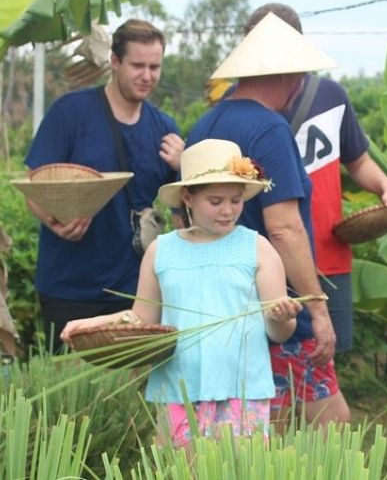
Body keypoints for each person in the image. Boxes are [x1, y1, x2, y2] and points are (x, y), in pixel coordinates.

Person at [61, 139, 302, 446]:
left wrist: (282, 317)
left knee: (239, 471)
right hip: (178, 388)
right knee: (181, 470)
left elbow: (279, 331)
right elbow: (141, 316)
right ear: (187, 197)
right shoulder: (162, 251)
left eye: (236, 200)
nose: (228, 211)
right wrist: (93, 324)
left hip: (242, 389)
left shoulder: (257, 248)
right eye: (215, 202)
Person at [187, 12, 351, 426]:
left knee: (256, 429)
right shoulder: (270, 129)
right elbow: (284, 227)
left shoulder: (204, 125)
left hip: (222, 311)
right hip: (278, 310)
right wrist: (317, 310)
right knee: (332, 426)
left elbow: (184, 222)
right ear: (290, 76)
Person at [243, 3, 387, 356]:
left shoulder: (331, 96)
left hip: (328, 256)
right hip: (263, 261)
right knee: (265, 364)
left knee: (328, 360)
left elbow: (358, 159)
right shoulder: (239, 105)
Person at [24, 19, 184, 352]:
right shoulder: (70, 112)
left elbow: (186, 208)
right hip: (69, 286)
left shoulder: (163, 128)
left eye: (154, 67)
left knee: (126, 394)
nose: (147, 76)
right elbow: (34, 185)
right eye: (137, 65)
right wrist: (55, 223)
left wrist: (186, 167)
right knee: (71, 393)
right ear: (114, 61)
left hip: (134, 291)